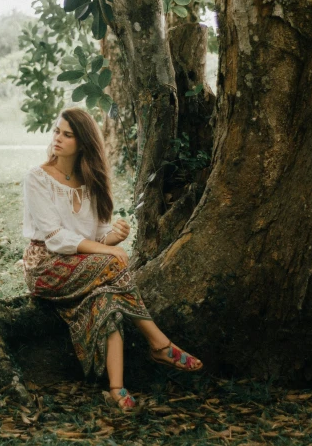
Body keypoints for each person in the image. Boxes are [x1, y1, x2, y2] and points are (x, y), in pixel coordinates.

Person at [22, 107, 202, 413]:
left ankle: (116, 389)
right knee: (113, 265)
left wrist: (112, 238)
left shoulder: (90, 181)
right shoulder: (38, 178)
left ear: (83, 143)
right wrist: (107, 251)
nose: (58, 139)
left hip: (82, 267)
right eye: (56, 132)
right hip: (46, 267)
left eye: (67, 135)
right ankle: (159, 343)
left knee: (107, 303)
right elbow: (55, 237)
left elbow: (96, 234)